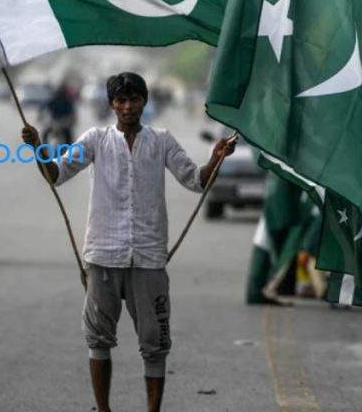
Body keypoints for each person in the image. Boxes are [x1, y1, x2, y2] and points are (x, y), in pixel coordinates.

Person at [20, 72, 234, 412]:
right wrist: (37, 149)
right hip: (103, 255)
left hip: (149, 257)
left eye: (134, 99)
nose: (128, 107)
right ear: (112, 104)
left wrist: (216, 157)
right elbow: (56, 175)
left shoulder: (161, 141)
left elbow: (196, 181)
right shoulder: (96, 139)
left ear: (144, 102)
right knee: (98, 339)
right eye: (121, 100)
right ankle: (103, 409)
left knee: (155, 343)